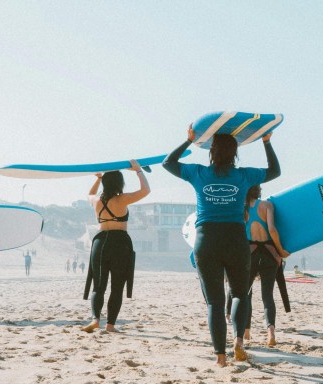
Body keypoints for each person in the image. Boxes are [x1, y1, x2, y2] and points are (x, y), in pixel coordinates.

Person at [163, 126, 280, 367]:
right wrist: (266, 142)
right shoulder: (244, 176)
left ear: (211, 151)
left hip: (206, 239)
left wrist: (188, 140)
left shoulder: (198, 173)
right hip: (235, 238)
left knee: (215, 302)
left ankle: (220, 357)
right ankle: (238, 341)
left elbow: (168, 163)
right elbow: (275, 171)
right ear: (235, 153)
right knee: (239, 293)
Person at [81, 161, 149, 333]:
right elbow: (145, 190)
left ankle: (95, 319)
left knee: (99, 285)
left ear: (105, 183)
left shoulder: (96, 200)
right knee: (117, 286)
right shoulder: (123, 199)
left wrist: (98, 179)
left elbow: (89, 194)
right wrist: (138, 171)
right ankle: (110, 325)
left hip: (100, 242)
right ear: (120, 183)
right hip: (120, 243)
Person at [244, 185, 289, 346]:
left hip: (250, 255)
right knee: (267, 296)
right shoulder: (267, 205)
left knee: (245, 293)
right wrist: (280, 250)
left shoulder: (242, 209)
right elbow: (272, 229)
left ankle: (246, 332)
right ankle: (271, 334)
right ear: (259, 191)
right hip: (269, 254)